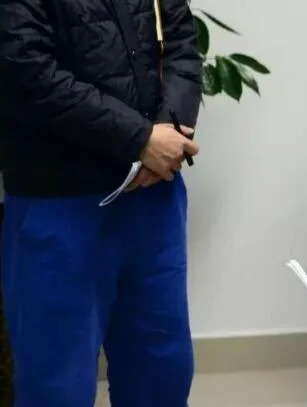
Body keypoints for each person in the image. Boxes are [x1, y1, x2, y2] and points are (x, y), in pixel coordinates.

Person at [0, 0, 201, 404]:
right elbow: (25, 69)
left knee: (161, 373)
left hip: (152, 200)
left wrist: (169, 132)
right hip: (59, 203)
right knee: (56, 384)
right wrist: (139, 140)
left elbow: (181, 42)